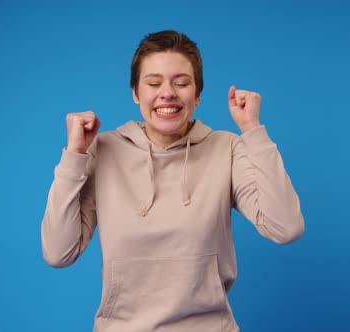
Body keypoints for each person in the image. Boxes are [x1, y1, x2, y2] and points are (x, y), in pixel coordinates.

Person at [41, 30, 304, 332]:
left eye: (181, 83)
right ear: (136, 93)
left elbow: (286, 227)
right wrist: (74, 155)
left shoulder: (227, 148)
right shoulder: (103, 150)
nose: (167, 93)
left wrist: (253, 130)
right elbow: (59, 252)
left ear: (198, 94)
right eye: (153, 83)